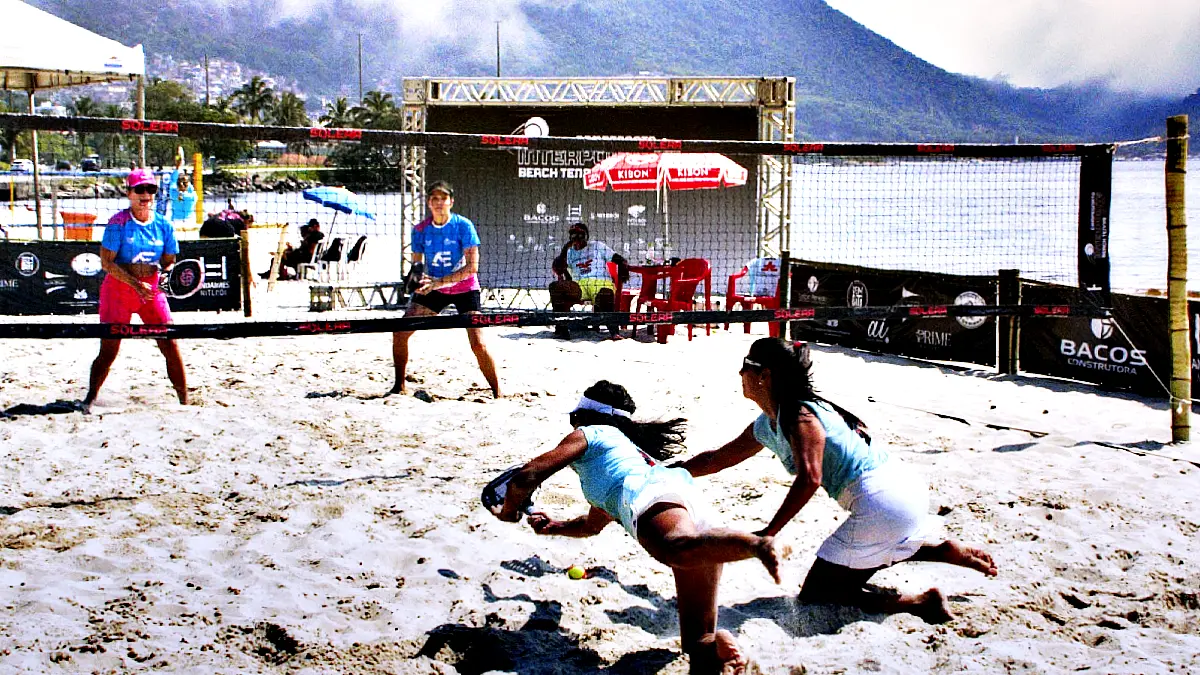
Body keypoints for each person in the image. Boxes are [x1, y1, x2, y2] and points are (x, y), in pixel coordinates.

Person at [673, 338, 997, 624]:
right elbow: (716, 459)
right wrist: (674, 471)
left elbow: (810, 479)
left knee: (817, 594)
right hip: (897, 491)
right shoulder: (771, 420)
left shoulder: (800, 416)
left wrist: (769, 532)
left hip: (882, 502)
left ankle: (919, 603)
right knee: (867, 551)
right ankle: (942, 551)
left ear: (764, 376)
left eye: (746, 366)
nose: (739, 373)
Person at [493, 380, 780, 675]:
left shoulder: (595, 433)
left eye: (574, 417)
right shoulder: (618, 461)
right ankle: (716, 645)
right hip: (683, 498)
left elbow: (527, 475)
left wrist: (509, 510)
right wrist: (554, 526)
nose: (572, 424)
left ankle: (755, 543)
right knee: (697, 640)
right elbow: (592, 525)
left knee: (674, 549)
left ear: (583, 417)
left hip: (652, 495)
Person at [83, 168, 187, 411]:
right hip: (119, 290)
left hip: (151, 290)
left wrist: (164, 273)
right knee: (109, 349)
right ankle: (89, 400)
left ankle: (185, 401)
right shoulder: (118, 224)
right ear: (129, 193)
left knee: (169, 344)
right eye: (139, 189)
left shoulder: (163, 225)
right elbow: (107, 262)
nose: (145, 194)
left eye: (150, 189)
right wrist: (134, 283)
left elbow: (169, 259)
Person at [390, 181, 501, 397]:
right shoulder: (420, 230)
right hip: (435, 287)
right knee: (400, 333)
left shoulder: (463, 226)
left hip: (465, 289)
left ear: (451, 201)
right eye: (435, 199)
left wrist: (438, 283)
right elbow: (417, 266)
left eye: (443, 198)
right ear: (429, 203)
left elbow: (472, 268)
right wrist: (415, 281)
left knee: (478, 344)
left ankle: (497, 391)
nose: (439, 203)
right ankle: (398, 386)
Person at [548, 222, 627, 340]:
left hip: (600, 283)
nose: (577, 238)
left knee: (605, 296)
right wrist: (565, 250)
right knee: (555, 287)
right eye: (574, 235)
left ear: (586, 236)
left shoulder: (597, 246)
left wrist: (623, 268)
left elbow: (618, 259)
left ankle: (614, 331)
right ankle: (561, 328)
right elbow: (557, 268)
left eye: (580, 235)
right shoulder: (569, 252)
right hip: (579, 286)